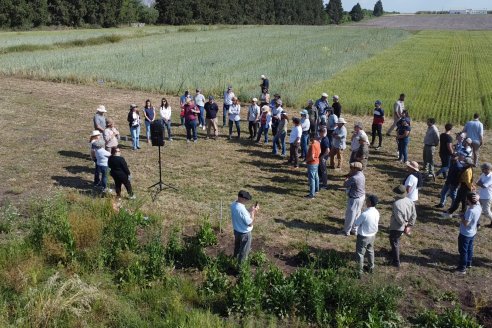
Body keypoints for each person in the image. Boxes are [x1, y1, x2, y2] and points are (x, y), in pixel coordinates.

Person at [388, 185, 417, 268]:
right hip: (405, 225)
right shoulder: (410, 201)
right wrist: (409, 225)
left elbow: (399, 217)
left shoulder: (396, 204)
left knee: (394, 241)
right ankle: (393, 252)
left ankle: (396, 262)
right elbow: (414, 215)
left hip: (397, 227)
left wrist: (404, 226)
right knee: (396, 240)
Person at [456, 192, 482, 274]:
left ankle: (462, 268)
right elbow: (478, 200)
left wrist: (461, 217)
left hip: (465, 233)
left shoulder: (471, 211)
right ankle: (468, 263)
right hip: (473, 232)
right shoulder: (478, 207)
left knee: (463, 251)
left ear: (468, 200)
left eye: (467, 199)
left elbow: (466, 223)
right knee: (470, 248)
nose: (466, 200)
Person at [231, 190, 259, 263]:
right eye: (246, 199)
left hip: (236, 231)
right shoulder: (242, 210)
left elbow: (241, 215)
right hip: (244, 234)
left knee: (237, 248)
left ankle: (234, 261)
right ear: (242, 198)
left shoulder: (233, 204)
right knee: (244, 252)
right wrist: (253, 213)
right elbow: (250, 223)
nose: (247, 201)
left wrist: (249, 210)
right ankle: (241, 269)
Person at [354, 195, 379, 275]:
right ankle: (371, 267)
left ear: (370, 203)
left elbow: (356, 224)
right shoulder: (376, 212)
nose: (365, 201)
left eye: (367, 200)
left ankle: (359, 272)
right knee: (370, 251)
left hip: (363, 236)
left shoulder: (365, 214)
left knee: (360, 253)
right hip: (372, 235)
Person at [342, 161, 366, 236]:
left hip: (354, 198)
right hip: (361, 197)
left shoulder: (354, 178)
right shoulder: (361, 174)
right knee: (357, 215)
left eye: (351, 168)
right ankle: (354, 230)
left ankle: (346, 231)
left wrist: (346, 179)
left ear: (356, 169)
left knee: (350, 216)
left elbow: (345, 185)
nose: (350, 169)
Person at [476, 163, 492, 227]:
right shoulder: (483, 174)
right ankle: (477, 223)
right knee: (477, 209)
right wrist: (480, 183)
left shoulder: (491, 177)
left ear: (488, 169)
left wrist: (480, 183)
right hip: (480, 195)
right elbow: (477, 182)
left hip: (487, 197)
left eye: (483, 168)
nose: (482, 170)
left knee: (486, 212)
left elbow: (484, 186)